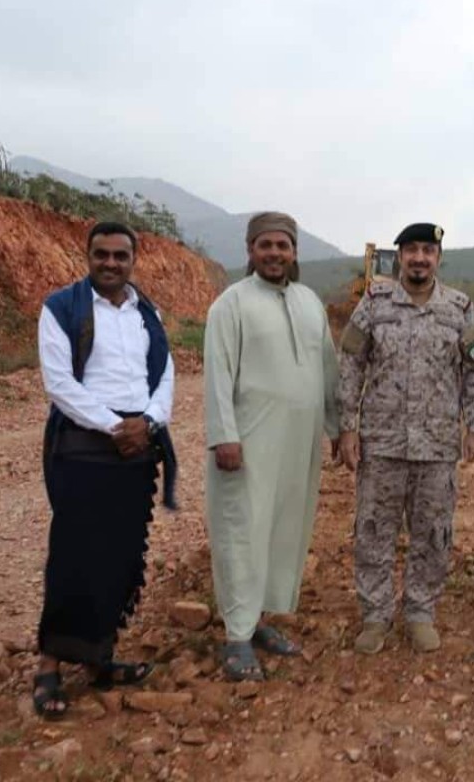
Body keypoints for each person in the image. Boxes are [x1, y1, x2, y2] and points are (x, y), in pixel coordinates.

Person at [34, 221, 178, 718]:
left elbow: (165, 375)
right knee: (74, 556)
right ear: (87, 255)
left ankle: (100, 659)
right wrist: (116, 426)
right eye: (102, 254)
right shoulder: (61, 308)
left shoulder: (148, 314)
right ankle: (50, 668)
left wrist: (151, 422)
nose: (111, 263)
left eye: (121, 255)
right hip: (83, 448)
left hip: (138, 448)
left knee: (119, 557)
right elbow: (59, 384)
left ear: (134, 260)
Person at [337, 222, 474, 654]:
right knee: (373, 530)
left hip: (437, 445)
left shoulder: (459, 309)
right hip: (382, 442)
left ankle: (421, 612)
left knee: (433, 532)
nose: (419, 258)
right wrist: (347, 424)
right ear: (399, 256)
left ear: (438, 258)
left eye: (428, 250)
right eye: (411, 250)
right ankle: (376, 614)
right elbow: (351, 363)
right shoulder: (374, 303)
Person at [203, 211, 340, 681]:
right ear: (251, 251)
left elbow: (328, 369)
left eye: (283, 245)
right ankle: (236, 637)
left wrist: (338, 428)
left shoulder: (309, 302)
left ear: (295, 252)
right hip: (247, 443)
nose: (275, 253)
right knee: (243, 531)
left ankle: (259, 621)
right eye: (266, 245)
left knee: (282, 529)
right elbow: (218, 374)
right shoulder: (231, 304)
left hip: (298, 443)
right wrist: (224, 435)